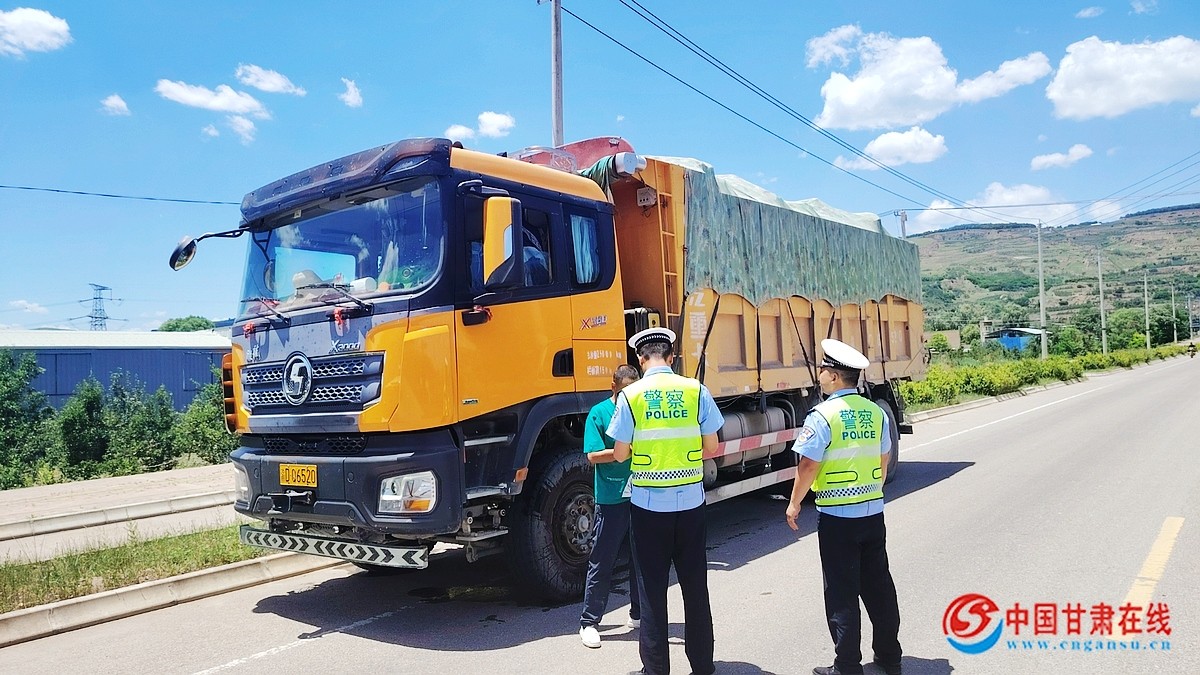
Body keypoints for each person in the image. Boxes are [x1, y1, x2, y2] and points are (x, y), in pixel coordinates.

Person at [610, 327, 724, 675]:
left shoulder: (631, 396)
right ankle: (702, 666)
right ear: (672, 357)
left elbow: (619, 454)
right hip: (690, 504)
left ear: (640, 359)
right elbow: (712, 446)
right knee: (695, 587)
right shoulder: (695, 390)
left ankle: (656, 669)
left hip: (649, 507)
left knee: (651, 591)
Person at [785, 339, 902, 675]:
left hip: (838, 518)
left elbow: (808, 465)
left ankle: (848, 666)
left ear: (834, 376)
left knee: (841, 593)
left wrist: (794, 504)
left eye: (823, 369)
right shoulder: (876, 413)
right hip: (873, 513)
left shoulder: (823, 415)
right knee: (879, 587)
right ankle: (889, 658)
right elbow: (883, 459)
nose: (820, 374)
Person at [579, 364, 643, 649]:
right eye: (625, 390)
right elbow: (593, 456)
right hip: (611, 497)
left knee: (642, 559)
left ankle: (638, 614)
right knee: (602, 560)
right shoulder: (599, 413)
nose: (630, 396)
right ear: (613, 387)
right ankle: (589, 622)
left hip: (641, 494)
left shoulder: (641, 410)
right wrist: (621, 453)